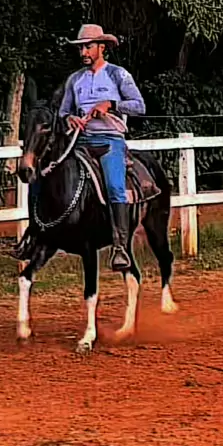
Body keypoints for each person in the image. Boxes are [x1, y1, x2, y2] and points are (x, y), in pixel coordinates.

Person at [58, 23, 146, 271]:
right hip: (80, 142)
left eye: (88, 47)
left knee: (115, 187)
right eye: (81, 48)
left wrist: (111, 104)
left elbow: (139, 106)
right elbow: (63, 111)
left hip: (109, 142)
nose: (83, 52)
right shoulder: (74, 79)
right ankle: (47, 232)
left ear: (102, 47)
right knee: (53, 174)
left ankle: (120, 247)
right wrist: (70, 119)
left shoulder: (118, 75)